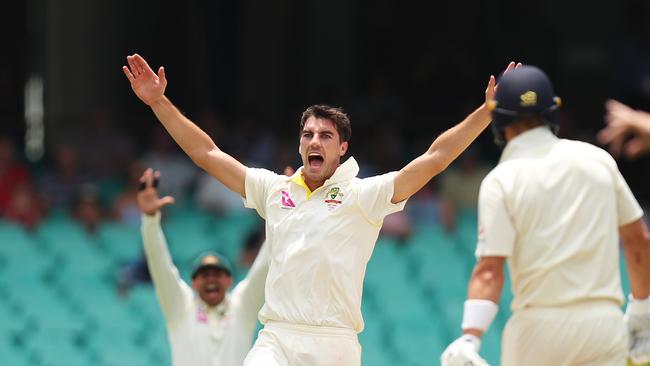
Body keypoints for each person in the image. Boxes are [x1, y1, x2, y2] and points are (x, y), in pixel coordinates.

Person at [123, 53, 518, 366]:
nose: (315, 140)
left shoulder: (366, 195)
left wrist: (486, 113)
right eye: (308, 134)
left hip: (335, 343)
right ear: (299, 145)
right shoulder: (274, 190)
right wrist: (159, 102)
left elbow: (434, 159)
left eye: (326, 135)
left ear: (342, 148)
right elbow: (206, 153)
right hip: (276, 335)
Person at [440, 66, 650, 366]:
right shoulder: (598, 161)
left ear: (499, 120)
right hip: (603, 326)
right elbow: (638, 242)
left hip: (538, 330)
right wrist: (642, 310)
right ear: (552, 113)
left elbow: (489, 270)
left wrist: (470, 337)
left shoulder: (501, 180)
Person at [137, 168, 269, 365]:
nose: (211, 280)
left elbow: (265, 263)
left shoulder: (242, 307)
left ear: (229, 280)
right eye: (204, 275)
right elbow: (159, 263)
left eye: (217, 274)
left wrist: (280, 217)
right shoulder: (180, 306)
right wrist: (150, 219)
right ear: (193, 282)